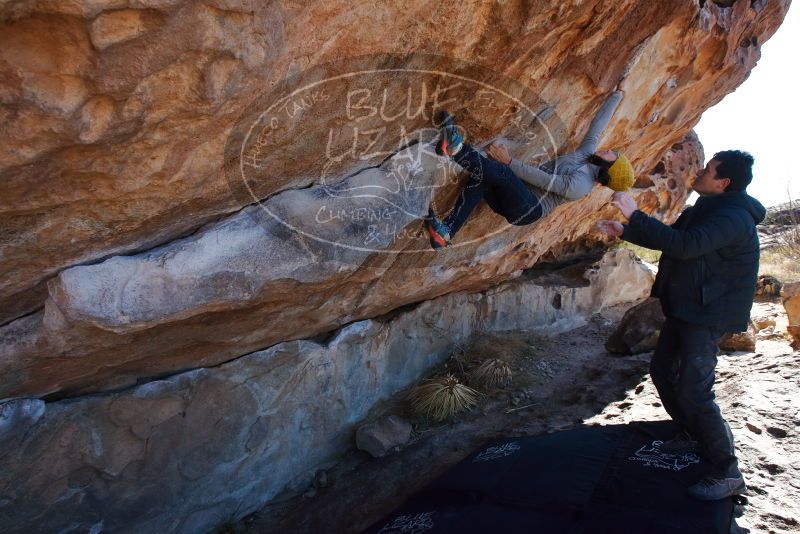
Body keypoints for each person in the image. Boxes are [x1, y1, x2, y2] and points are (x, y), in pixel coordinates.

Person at [597, 150, 765, 501]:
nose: (700, 172)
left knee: (695, 390)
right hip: (688, 307)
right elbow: (672, 241)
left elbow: (687, 247)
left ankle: (727, 471)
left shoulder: (734, 216)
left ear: (724, 183)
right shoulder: (707, 209)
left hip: (708, 314)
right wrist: (626, 229)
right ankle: (689, 436)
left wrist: (634, 212)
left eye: (708, 170)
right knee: (663, 371)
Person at [424, 89, 634, 249]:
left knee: (503, 171)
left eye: (611, 156)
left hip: (528, 209)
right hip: (519, 197)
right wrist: (618, 94)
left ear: (609, 168)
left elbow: (543, 180)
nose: (607, 151)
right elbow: (597, 128)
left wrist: (509, 162)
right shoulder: (587, 156)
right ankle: (445, 233)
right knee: (482, 179)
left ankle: (456, 149)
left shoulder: (582, 186)